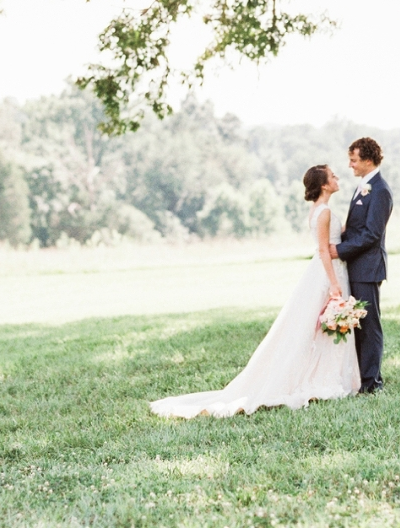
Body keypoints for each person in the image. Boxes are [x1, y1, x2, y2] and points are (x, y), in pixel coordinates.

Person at [149, 162, 360, 417]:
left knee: (319, 327)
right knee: (322, 325)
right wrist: (334, 284)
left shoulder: (318, 210)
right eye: (333, 176)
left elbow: (334, 238)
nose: (337, 178)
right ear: (325, 185)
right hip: (329, 272)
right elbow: (324, 249)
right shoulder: (324, 211)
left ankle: (325, 375)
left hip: (325, 270)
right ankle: (323, 378)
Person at [331, 136, 392, 393]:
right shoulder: (363, 186)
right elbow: (356, 227)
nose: (350, 165)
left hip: (367, 268)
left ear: (368, 160)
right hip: (355, 267)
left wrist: (338, 250)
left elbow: (371, 235)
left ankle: (372, 383)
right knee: (357, 326)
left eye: (354, 160)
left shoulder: (380, 190)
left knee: (369, 327)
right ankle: (360, 379)